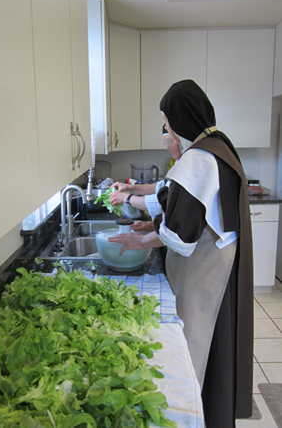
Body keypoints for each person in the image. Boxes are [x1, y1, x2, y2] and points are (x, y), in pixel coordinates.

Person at [108, 79, 253, 428]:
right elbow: (175, 198)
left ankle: (196, 415)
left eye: (167, 120)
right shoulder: (216, 144)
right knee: (216, 342)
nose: (165, 128)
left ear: (180, 118)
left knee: (200, 342)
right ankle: (210, 412)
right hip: (220, 256)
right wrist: (152, 223)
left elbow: (181, 235)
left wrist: (140, 240)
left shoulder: (199, 157)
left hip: (207, 265)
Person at [109, 125, 182, 231]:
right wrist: (129, 187)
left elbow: (161, 203)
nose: (167, 147)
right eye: (165, 143)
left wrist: (126, 198)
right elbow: (160, 187)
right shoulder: (179, 163)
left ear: (181, 142)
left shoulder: (187, 167)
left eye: (170, 141)